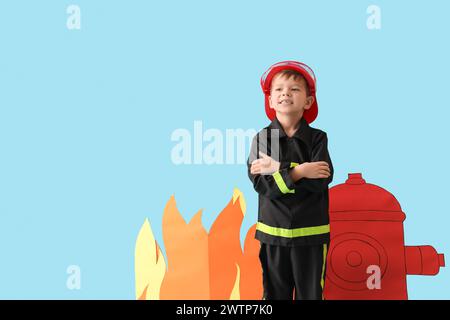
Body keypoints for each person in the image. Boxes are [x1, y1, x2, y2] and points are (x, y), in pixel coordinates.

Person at [247, 61, 334, 300]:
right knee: (275, 295)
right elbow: (264, 186)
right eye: (278, 89)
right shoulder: (264, 139)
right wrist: (299, 172)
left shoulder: (318, 139)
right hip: (273, 233)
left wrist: (278, 169)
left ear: (308, 101)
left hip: (311, 234)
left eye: (294, 89)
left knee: (311, 295)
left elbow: (321, 180)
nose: (285, 93)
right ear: (271, 101)